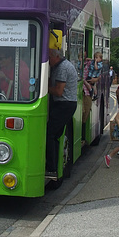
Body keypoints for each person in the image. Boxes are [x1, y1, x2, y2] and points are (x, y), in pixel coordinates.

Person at [46, 47, 78, 180]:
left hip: (64, 104)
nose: (47, 61)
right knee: (55, 134)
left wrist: (42, 88)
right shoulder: (61, 65)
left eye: (49, 58)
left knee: (50, 133)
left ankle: (51, 168)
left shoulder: (62, 68)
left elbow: (59, 92)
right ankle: (54, 165)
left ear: (56, 57)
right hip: (65, 103)